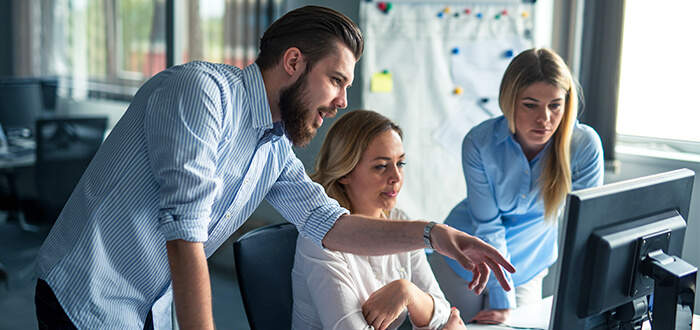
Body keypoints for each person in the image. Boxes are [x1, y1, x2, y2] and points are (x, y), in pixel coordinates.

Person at [33, 6, 515, 330]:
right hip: (88, 298)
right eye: (335, 80)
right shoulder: (202, 95)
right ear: (292, 62)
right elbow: (185, 237)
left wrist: (436, 234)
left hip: (151, 308)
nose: (342, 101)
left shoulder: (273, 146)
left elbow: (333, 225)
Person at [429, 48, 605, 324]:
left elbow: (583, 230)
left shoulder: (583, 146)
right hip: (463, 263)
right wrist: (502, 301)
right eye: (530, 104)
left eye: (555, 105)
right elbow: (488, 226)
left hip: (527, 268)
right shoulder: (479, 142)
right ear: (510, 101)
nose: (544, 119)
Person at [291, 110, 466, 330]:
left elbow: (442, 314)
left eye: (400, 164)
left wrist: (408, 292)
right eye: (381, 166)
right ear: (345, 172)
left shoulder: (401, 222)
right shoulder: (320, 238)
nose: (396, 177)